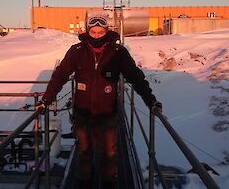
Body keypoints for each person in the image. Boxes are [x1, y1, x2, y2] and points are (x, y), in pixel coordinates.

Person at [36, 16, 162, 189]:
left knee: (109, 153)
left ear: (106, 31)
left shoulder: (118, 52)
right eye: (93, 32)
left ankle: (109, 183)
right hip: (83, 113)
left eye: (100, 32)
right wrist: (46, 100)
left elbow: (136, 77)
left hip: (107, 114)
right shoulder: (77, 51)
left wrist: (151, 101)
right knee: (84, 151)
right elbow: (60, 76)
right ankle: (84, 183)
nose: (96, 36)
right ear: (88, 31)